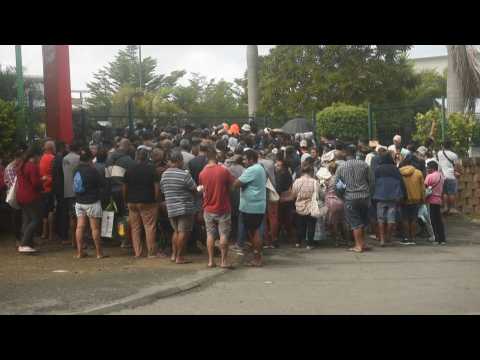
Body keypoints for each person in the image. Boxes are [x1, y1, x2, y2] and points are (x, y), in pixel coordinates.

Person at [199, 145, 236, 268]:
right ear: (216, 157)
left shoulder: (202, 173)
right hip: (223, 207)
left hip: (208, 208)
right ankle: (223, 261)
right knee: (223, 235)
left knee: (210, 234)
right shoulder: (223, 170)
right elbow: (232, 187)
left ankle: (210, 261)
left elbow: (203, 189)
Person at [160, 150, 197, 264]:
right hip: (184, 207)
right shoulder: (184, 174)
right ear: (179, 161)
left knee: (176, 231)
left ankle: (173, 255)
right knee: (183, 232)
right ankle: (180, 257)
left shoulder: (164, 174)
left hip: (171, 206)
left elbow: (162, 189)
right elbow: (194, 189)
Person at [124, 149, 161, 258]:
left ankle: (138, 252)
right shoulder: (152, 169)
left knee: (135, 228)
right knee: (149, 227)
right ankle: (151, 253)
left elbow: (124, 187)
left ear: (136, 157)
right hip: (148, 202)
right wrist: (156, 200)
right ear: (147, 157)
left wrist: (126, 200)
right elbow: (157, 188)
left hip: (132, 202)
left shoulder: (129, 170)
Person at [336, 145, 374, 253]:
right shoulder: (364, 165)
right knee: (363, 221)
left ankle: (358, 246)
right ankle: (363, 243)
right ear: (355, 153)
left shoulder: (341, 167)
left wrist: (341, 196)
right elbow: (372, 182)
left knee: (355, 223)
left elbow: (337, 185)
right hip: (365, 197)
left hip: (350, 198)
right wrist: (369, 194)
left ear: (345, 153)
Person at [233, 149, 266, 267]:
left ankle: (257, 258)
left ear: (251, 159)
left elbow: (236, 184)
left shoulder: (252, 170)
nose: (244, 162)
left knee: (255, 232)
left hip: (252, 206)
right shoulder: (260, 168)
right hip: (257, 205)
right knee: (255, 231)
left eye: (245, 159)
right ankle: (257, 256)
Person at [74, 149, 106, 259]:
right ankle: (99, 253)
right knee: (95, 229)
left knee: (80, 227)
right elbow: (102, 184)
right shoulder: (93, 171)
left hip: (79, 202)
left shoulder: (76, 170)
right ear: (90, 159)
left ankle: (79, 252)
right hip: (92, 202)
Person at [105, 138, 135, 247]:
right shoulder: (128, 160)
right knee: (123, 216)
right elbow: (131, 177)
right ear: (127, 146)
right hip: (122, 191)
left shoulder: (109, 158)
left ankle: (111, 237)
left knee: (111, 214)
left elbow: (107, 176)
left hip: (111, 190)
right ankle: (124, 239)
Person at [373, 154, 405, 246]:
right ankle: (388, 237)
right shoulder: (395, 169)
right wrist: (403, 195)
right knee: (391, 219)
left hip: (380, 196)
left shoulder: (378, 169)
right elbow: (401, 182)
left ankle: (382, 240)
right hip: (393, 197)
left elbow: (373, 182)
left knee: (380, 219)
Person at [16, 146, 43, 253]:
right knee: (36, 220)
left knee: (26, 220)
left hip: (21, 196)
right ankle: (24, 243)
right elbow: (35, 183)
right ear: (35, 156)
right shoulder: (32, 167)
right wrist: (42, 180)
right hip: (31, 196)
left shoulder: (21, 166)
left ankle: (26, 243)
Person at [290, 161, 323, 250]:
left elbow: (293, 194)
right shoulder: (315, 182)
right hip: (312, 206)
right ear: (311, 172)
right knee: (311, 225)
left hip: (300, 206)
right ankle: (309, 244)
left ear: (301, 172)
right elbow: (319, 194)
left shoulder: (297, 181)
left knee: (300, 225)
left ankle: (298, 242)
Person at [399, 155, 425, 245]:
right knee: (413, 219)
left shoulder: (399, 172)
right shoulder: (418, 173)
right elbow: (422, 188)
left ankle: (406, 238)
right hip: (416, 199)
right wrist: (423, 198)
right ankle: (412, 238)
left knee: (405, 219)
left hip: (404, 199)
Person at [60, 141, 81, 246]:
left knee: (72, 216)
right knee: (79, 217)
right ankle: (79, 241)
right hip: (78, 191)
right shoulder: (78, 158)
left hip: (67, 190)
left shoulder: (64, 159)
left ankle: (73, 240)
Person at [4, 149, 24, 245]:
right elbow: (13, 184)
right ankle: (17, 239)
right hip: (13, 197)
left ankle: (21, 237)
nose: (22, 162)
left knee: (20, 217)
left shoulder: (17, 167)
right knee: (16, 218)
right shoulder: (10, 168)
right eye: (21, 159)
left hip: (19, 195)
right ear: (17, 158)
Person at [259, 151, 278, 249]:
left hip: (261, 192)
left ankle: (266, 240)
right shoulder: (271, 164)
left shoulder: (257, 163)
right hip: (272, 191)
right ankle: (274, 238)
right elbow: (274, 179)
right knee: (273, 216)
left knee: (263, 217)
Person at [324, 162, 346, 246]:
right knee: (343, 222)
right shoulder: (340, 179)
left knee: (333, 223)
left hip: (330, 202)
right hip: (340, 201)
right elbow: (343, 189)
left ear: (330, 170)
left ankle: (336, 240)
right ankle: (346, 240)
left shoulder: (328, 180)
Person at [425, 161, 446, 245]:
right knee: (439, 220)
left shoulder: (429, 176)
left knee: (432, 220)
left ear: (432, 168)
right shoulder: (441, 176)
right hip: (439, 200)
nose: (427, 169)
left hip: (431, 200)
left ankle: (436, 239)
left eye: (428, 167)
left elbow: (425, 186)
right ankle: (442, 239)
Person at [437, 140, 460, 215]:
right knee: (451, 193)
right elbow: (456, 167)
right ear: (451, 146)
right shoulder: (454, 155)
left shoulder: (439, 153)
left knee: (444, 193)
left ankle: (445, 207)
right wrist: (456, 172)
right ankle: (452, 208)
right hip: (451, 176)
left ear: (443, 146)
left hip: (442, 176)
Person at [275, 157, 295, 245]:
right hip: (289, 199)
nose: (277, 166)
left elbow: (279, 188)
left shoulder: (281, 174)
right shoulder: (288, 174)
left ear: (283, 166)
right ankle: (289, 236)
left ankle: (276, 236)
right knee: (287, 218)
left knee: (280, 218)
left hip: (282, 199)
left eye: (279, 165)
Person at [39, 140, 56, 243]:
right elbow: (55, 174)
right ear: (52, 148)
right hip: (50, 188)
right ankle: (50, 234)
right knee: (51, 211)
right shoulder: (53, 159)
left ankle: (43, 233)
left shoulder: (41, 158)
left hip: (42, 188)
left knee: (44, 211)